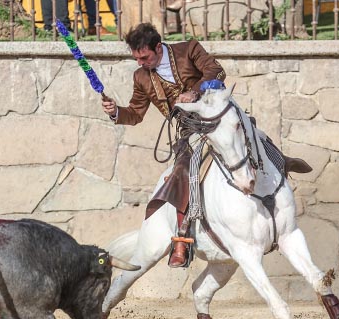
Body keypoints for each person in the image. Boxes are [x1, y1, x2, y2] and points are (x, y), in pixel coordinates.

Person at [102, 23, 311, 267]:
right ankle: (181, 236)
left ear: (158, 47)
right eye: (136, 58)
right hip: (191, 130)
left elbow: (216, 70)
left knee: (257, 136)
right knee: (183, 171)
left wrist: (194, 91)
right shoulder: (141, 77)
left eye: (144, 57)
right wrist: (116, 111)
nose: (140, 62)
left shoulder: (188, 48)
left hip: (218, 115)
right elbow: (135, 113)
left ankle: (282, 163)